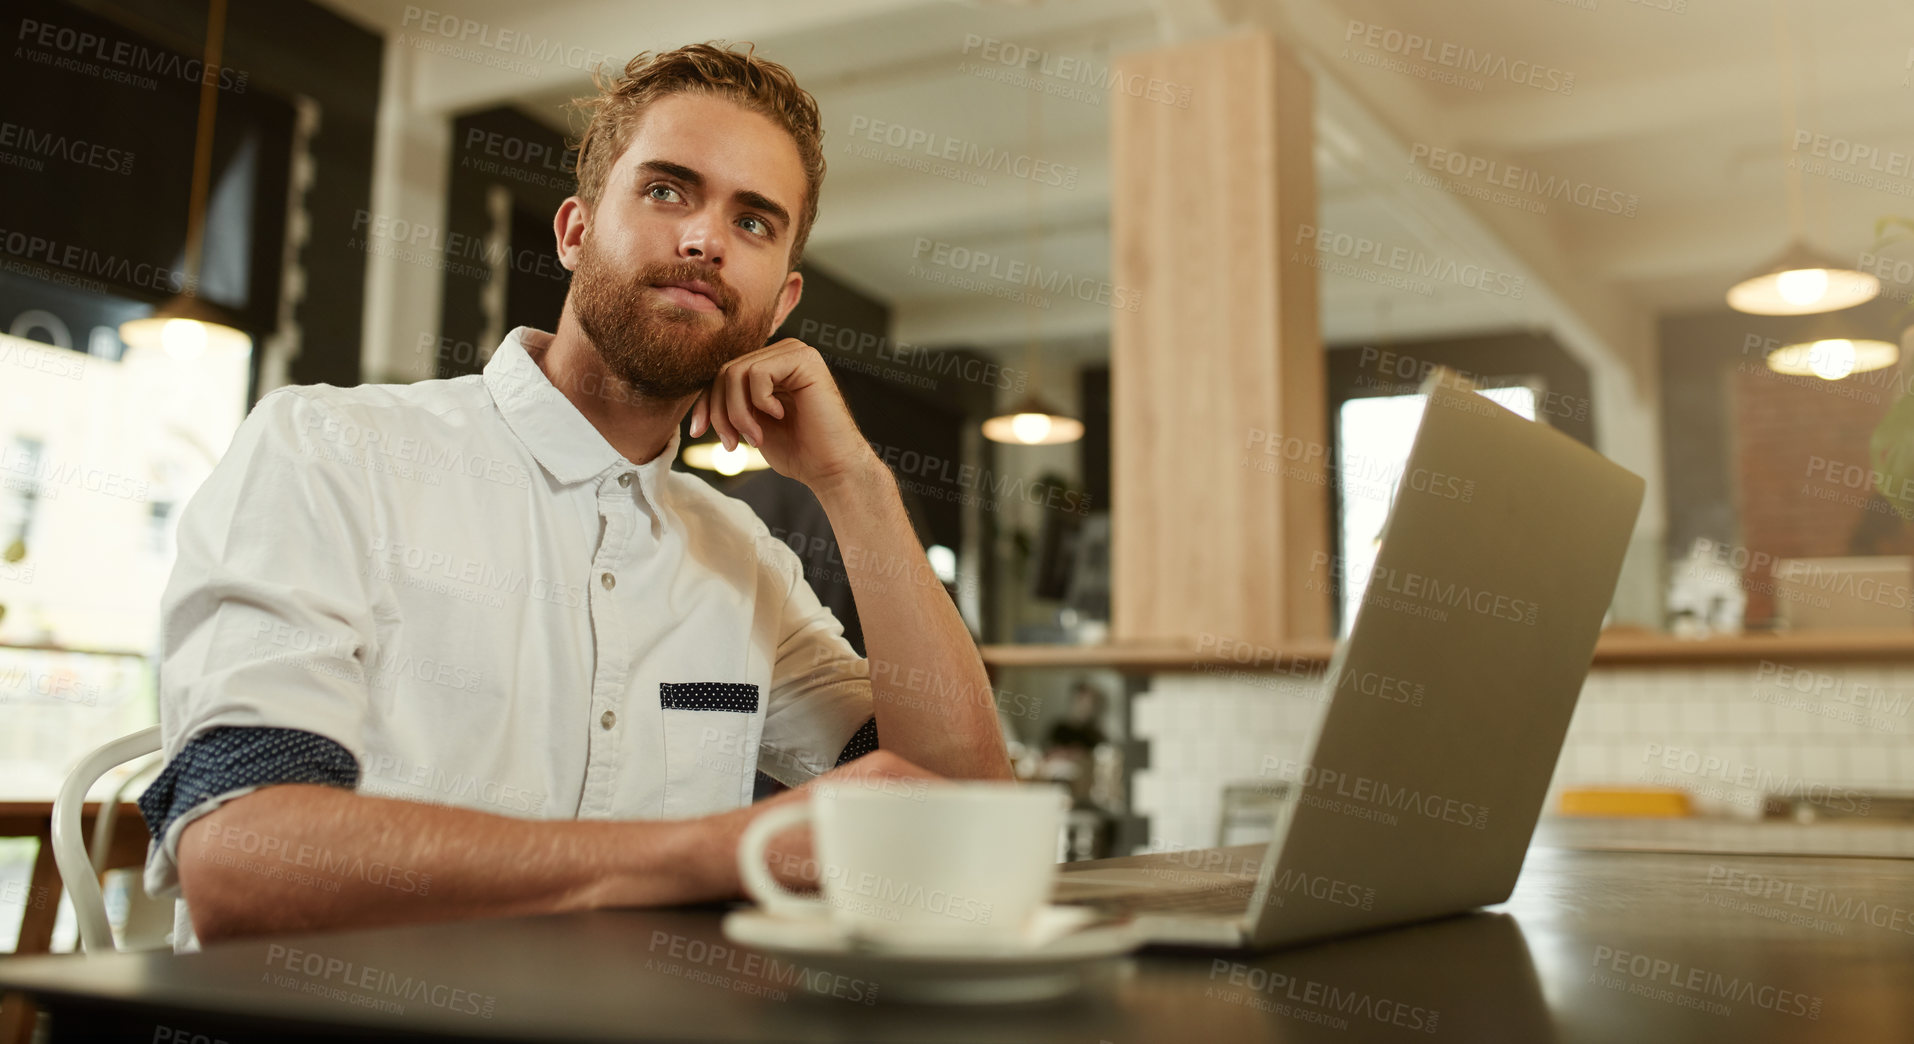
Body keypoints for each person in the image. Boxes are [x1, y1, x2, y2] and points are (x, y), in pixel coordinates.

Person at [137, 43, 1012, 949]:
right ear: (574, 231)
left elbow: (963, 818)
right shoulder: (330, 451)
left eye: (754, 221)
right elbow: (242, 859)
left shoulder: (747, 560)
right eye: (668, 190)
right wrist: (731, 847)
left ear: (782, 303)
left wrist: (854, 482)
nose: (705, 239)